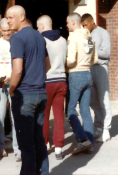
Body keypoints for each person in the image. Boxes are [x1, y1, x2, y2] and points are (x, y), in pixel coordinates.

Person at [6, 5, 49, 175]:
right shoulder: (39, 37)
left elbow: (17, 69)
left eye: (10, 17)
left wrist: (11, 89)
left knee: (26, 144)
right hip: (41, 92)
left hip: (25, 94)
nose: (8, 21)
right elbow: (47, 65)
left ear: (21, 17)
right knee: (38, 139)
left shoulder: (17, 38)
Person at [66, 13, 98, 155]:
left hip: (76, 74)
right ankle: (90, 143)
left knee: (71, 110)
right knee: (85, 110)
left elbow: (71, 59)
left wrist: (65, 65)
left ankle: (82, 140)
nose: (66, 25)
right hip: (87, 73)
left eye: (67, 23)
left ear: (73, 23)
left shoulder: (73, 37)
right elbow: (95, 59)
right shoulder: (89, 37)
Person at [37, 15, 67, 160]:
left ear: (42, 26)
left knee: (44, 114)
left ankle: (45, 143)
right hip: (61, 79)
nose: (37, 29)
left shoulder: (41, 40)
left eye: (38, 26)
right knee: (59, 114)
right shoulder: (63, 40)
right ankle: (59, 148)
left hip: (47, 80)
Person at [0, 18, 20, 161]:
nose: (7, 33)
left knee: (15, 115)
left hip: (13, 81)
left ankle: (17, 147)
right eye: (4, 31)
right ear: (0, 30)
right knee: (0, 115)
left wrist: (11, 77)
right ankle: (0, 146)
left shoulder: (16, 41)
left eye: (9, 30)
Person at [81, 13, 112, 143]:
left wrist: (91, 49)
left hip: (100, 68)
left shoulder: (103, 33)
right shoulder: (84, 35)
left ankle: (106, 128)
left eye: (85, 25)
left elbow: (106, 53)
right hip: (89, 68)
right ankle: (98, 127)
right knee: (93, 100)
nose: (84, 28)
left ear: (92, 21)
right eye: (82, 26)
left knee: (103, 98)